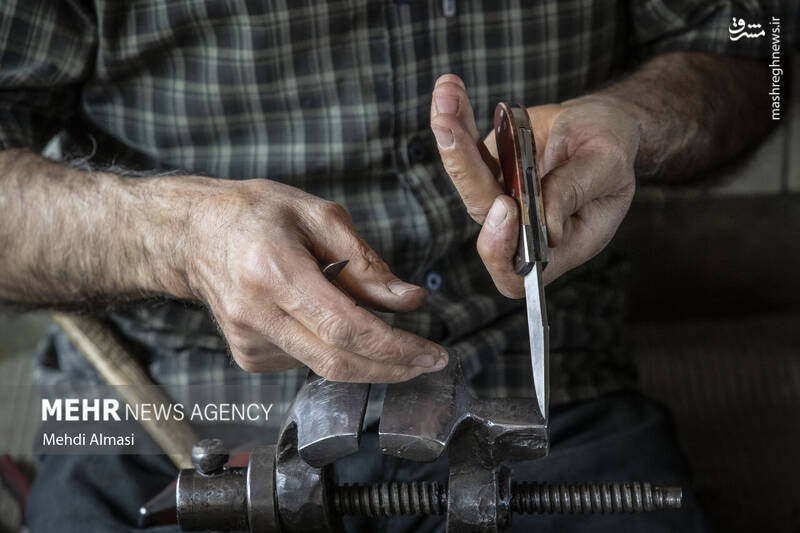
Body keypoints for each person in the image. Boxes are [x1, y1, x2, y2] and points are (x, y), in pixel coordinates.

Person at [0, 1, 786, 531]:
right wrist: (177, 240)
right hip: (168, 412)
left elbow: (763, 42)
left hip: (546, 408)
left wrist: (636, 123)